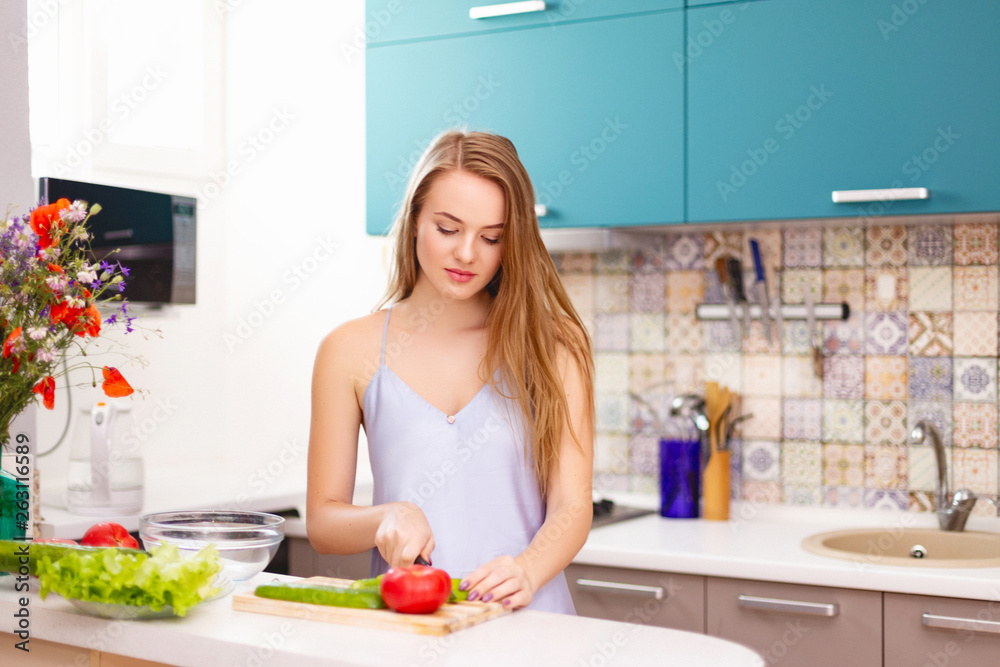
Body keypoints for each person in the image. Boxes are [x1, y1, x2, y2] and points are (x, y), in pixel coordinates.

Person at [306, 130, 594, 613]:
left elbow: (573, 505)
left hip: (535, 628)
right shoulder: (348, 350)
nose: (467, 254)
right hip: (412, 628)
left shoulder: (555, 344)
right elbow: (322, 522)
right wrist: (384, 518)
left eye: (491, 237)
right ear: (415, 220)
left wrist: (527, 569)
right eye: (447, 228)